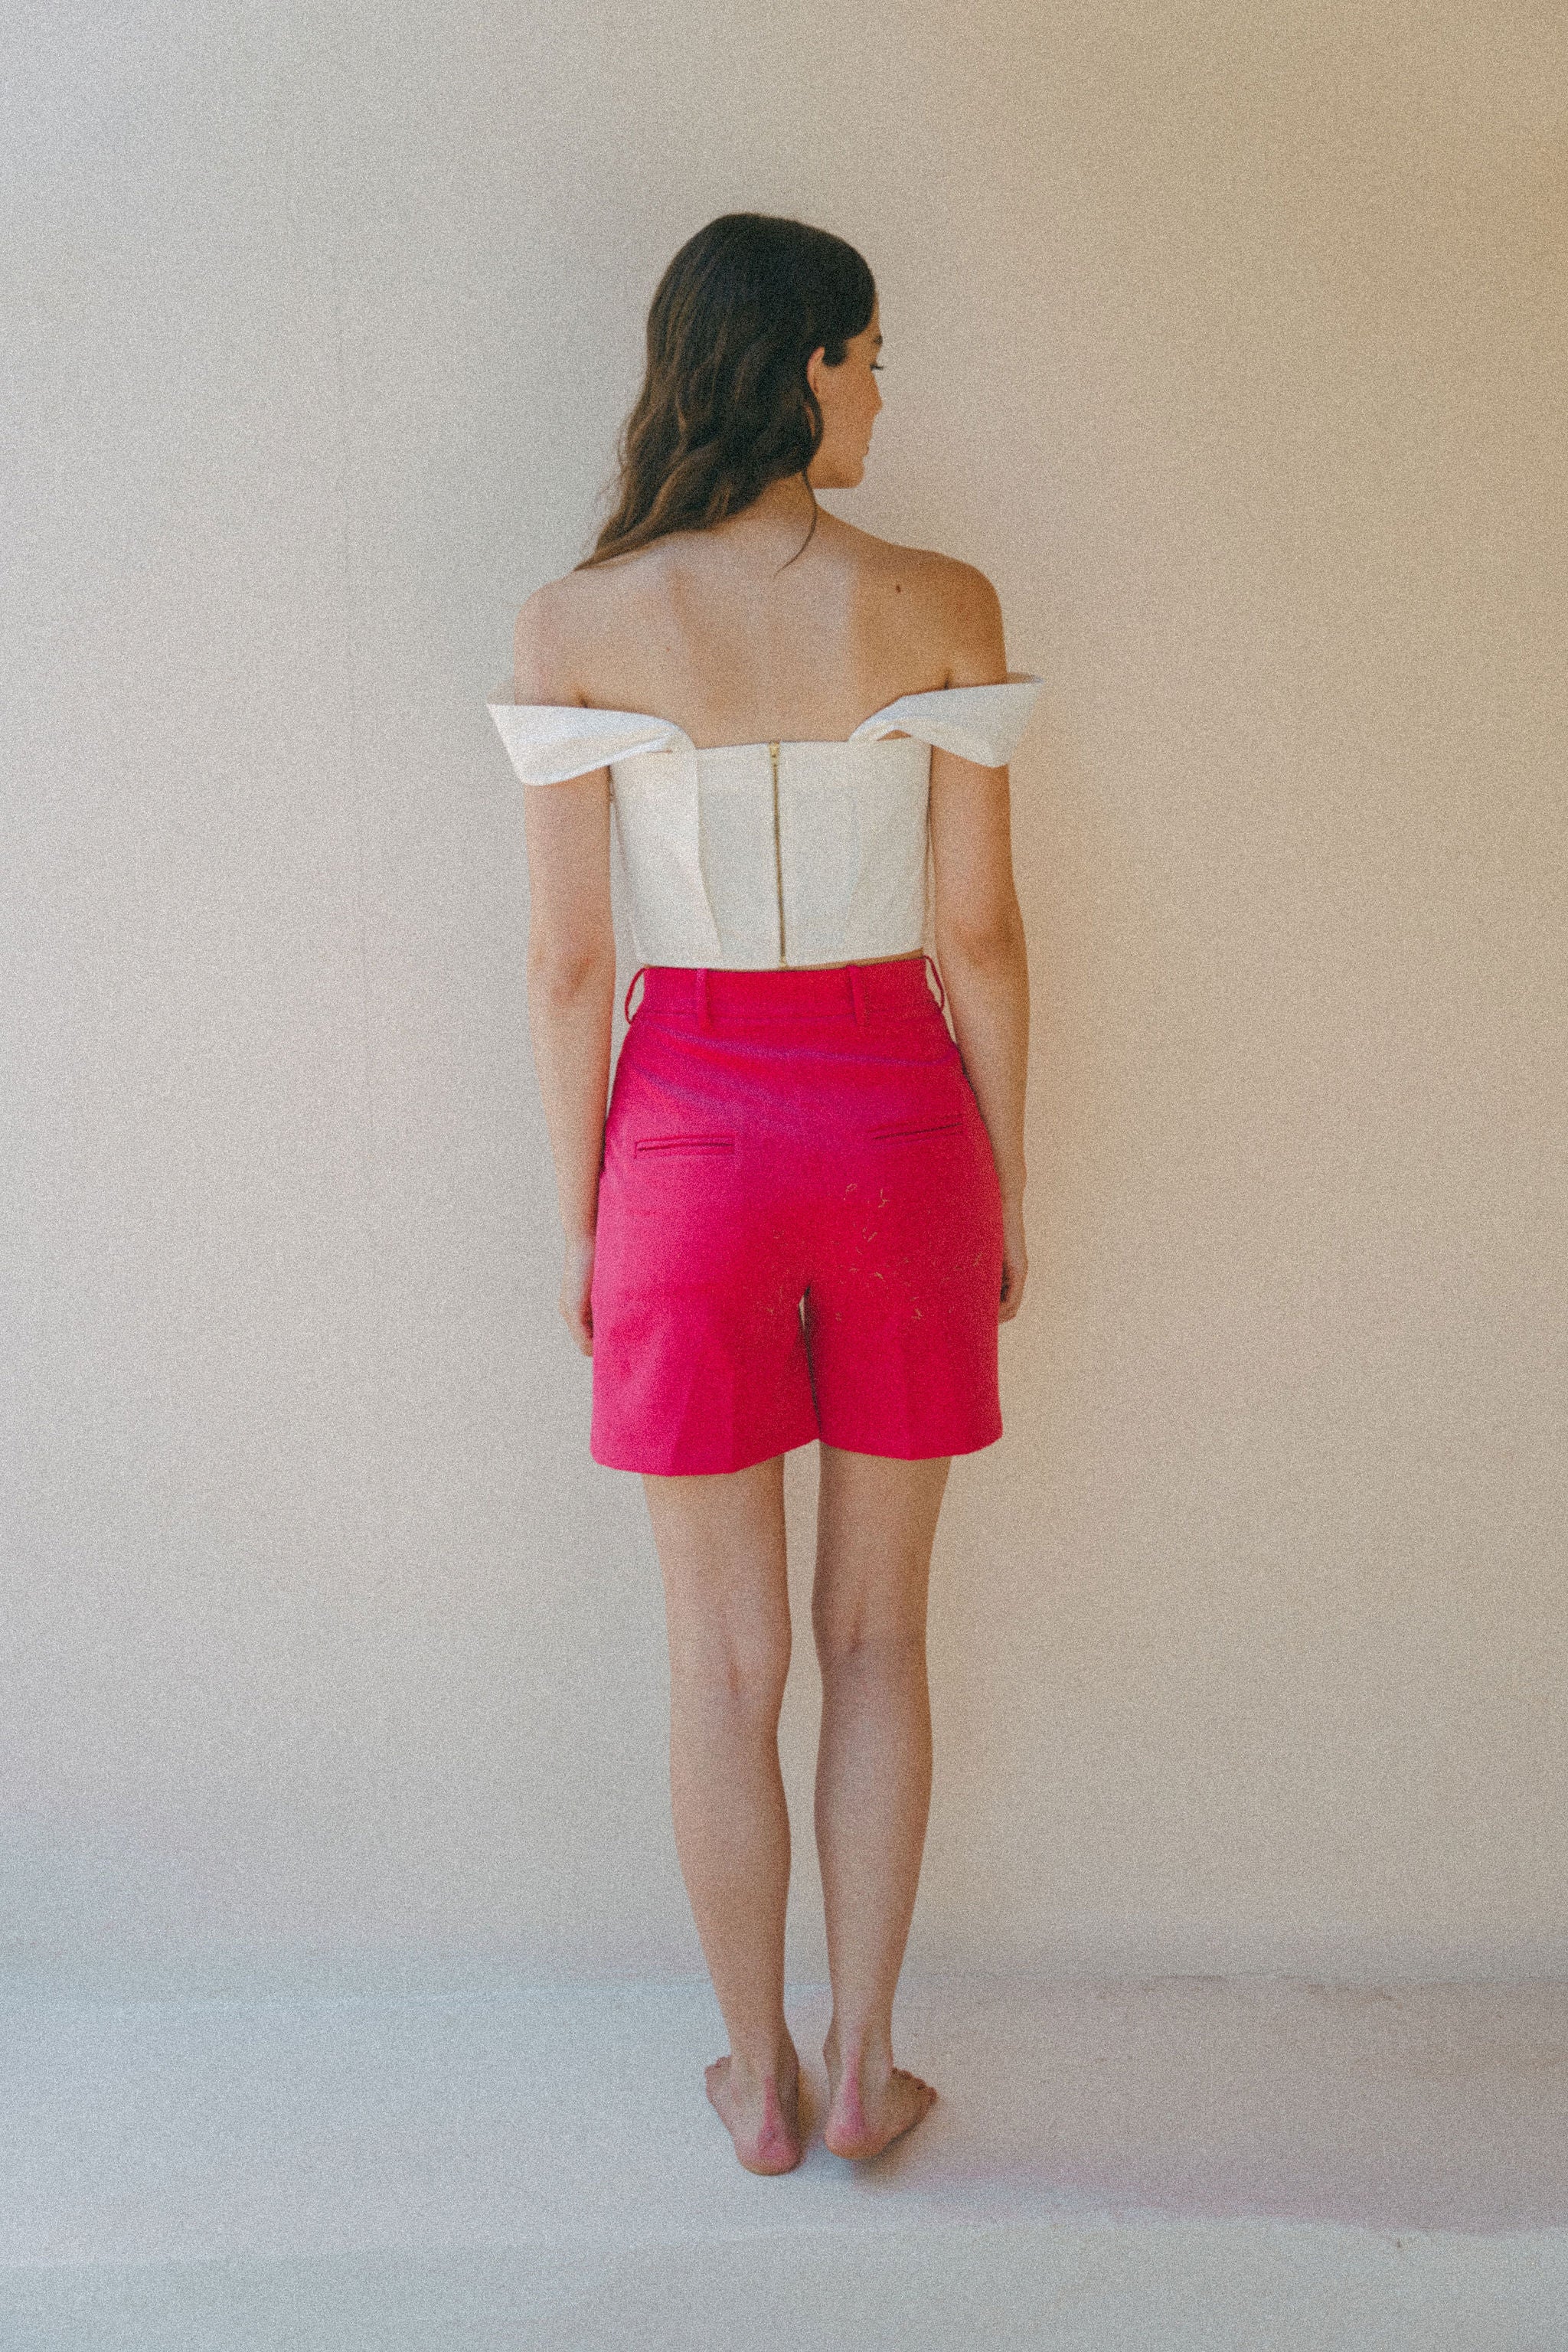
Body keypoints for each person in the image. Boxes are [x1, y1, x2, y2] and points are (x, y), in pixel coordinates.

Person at [488, 213, 1041, 2177]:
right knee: (877, 1637)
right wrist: (1008, 1182)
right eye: (869, 354)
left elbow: (570, 965)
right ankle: (869, 2063)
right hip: (899, 1136)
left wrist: (585, 1219)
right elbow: (979, 936)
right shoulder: (941, 600)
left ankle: (756, 2085)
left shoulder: (576, 619)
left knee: (723, 1668)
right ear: (804, 363)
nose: (882, 388)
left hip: (683, 1148)